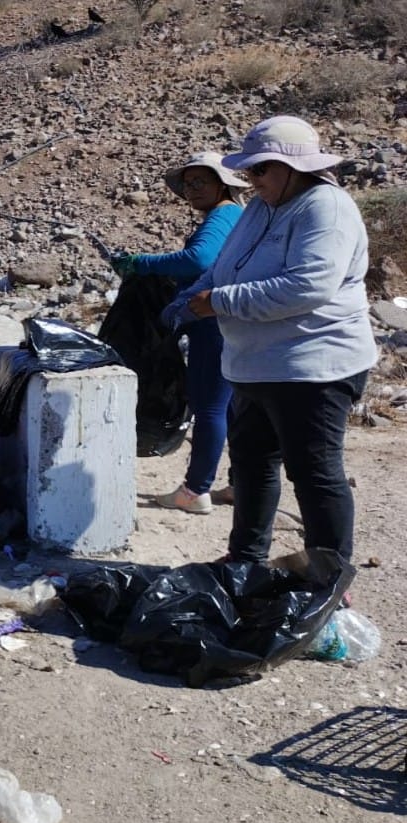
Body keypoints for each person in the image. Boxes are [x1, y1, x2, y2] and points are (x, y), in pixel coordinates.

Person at [162, 116, 377, 564]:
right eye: (249, 171)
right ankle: (245, 561)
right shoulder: (262, 206)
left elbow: (309, 286)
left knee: (314, 473)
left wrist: (220, 301)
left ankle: (329, 575)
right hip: (256, 365)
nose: (251, 179)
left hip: (312, 364)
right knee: (252, 466)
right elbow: (224, 265)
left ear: (294, 166)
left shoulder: (326, 207)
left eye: (260, 169)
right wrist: (191, 297)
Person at [111, 152, 248, 513]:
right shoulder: (238, 217)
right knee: (233, 406)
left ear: (223, 185)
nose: (192, 190)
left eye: (200, 181)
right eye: (187, 184)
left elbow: (199, 261)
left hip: (213, 322)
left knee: (209, 406)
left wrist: (141, 262)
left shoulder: (223, 215)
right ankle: (242, 484)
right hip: (233, 321)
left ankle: (195, 490)